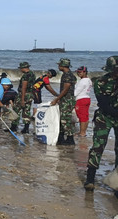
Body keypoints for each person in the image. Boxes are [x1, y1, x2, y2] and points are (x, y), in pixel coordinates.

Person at [84, 56, 118, 191]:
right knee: (98, 147)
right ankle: (90, 179)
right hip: (104, 118)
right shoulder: (100, 82)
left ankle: (116, 180)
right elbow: (103, 103)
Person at [51, 58, 77, 145]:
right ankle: (61, 137)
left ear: (63, 66)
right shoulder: (69, 74)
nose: (58, 66)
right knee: (62, 118)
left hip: (67, 99)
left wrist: (57, 99)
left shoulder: (67, 75)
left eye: (59, 65)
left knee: (66, 119)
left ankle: (70, 139)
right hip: (66, 99)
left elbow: (66, 89)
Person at [11, 62, 36, 134]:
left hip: (23, 94)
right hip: (30, 95)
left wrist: (22, 99)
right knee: (27, 111)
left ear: (23, 68)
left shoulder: (25, 76)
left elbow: (24, 87)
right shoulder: (32, 74)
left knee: (16, 110)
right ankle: (26, 128)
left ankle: (14, 127)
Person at [74, 66, 92, 137]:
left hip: (81, 99)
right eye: (78, 72)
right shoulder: (89, 80)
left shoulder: (82, 81)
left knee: (82, 116)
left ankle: (82, 133)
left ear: (85, 72)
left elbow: (75, 93)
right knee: (85, 116)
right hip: (87, 98)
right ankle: (83, 131)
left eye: (80, 72)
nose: (78, 73)